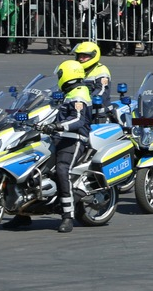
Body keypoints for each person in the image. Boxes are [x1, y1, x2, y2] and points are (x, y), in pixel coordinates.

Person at [47, 60, 92, 233]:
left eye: (59, 75)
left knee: (61, 169)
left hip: (75, 138)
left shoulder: (79, 93)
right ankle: (21, 213)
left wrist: (58, 126)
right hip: (58, 138)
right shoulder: (66, 93)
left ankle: (68, 216)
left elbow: (78, 120)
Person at [73, 41, 111, 105]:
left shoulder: (101, 71)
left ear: (94, 55)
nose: (81, 59)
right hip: (77, 106)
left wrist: (87, 101)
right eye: (79, 56)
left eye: (84, 56)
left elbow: (102, 91)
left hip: (96, 110)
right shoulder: (75, 69)